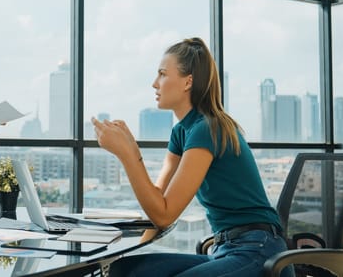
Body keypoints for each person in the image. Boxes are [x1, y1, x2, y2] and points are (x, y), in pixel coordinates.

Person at [92, 38, 293, 277]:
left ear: (188, 81)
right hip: (225, 249)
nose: (154, 84)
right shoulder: (181, 132)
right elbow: (157, 203)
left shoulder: (207, 128)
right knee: (124, 272)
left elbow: (164, 214)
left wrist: (128, 155)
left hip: (259, 249)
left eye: (163, 74)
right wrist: (120, 251)